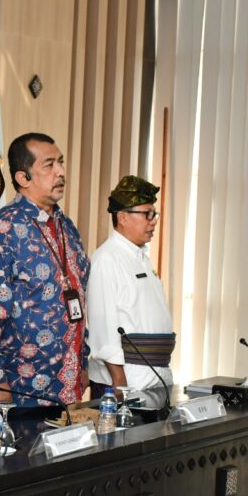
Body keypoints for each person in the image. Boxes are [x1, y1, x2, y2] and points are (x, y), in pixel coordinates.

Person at [0, 132, 90, 410]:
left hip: (64, 384)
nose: (61, 172)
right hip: (18, 391)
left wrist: (83, 361)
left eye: (61, 162)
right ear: (23, 178)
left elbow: (78, 299)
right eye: (49, 165)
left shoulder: (67, 227)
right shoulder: (0, 231)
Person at [86, 175, 173, 409]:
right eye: (147, 214)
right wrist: (119, 382)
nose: (153, 222)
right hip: (125, 382)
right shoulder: (107, 259)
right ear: (123, 217)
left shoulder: (140, 257)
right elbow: (103, 327)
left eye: (154, 214)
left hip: (154, 376)